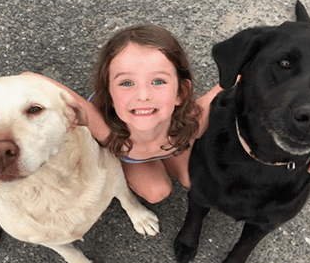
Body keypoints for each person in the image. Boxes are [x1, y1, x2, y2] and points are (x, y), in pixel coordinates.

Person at [24, 24, 223, 203]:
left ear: (181, 92)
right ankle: (149, 165)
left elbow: (225, 87)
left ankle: (170, 157)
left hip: (173, 137)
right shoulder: (105, 129)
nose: (143, 95)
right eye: (127, 83)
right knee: (157, 192)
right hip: (132, 154)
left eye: (158, 81)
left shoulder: (193, 119)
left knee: (196, 180)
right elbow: (36, 81)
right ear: (108, 93)